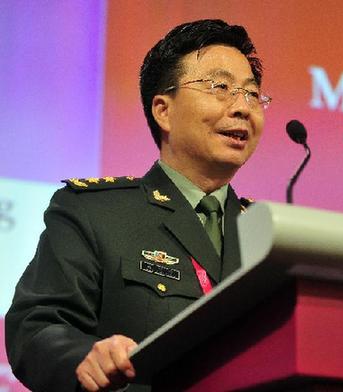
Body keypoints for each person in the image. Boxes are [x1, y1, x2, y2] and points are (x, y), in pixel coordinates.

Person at [5, 19, 270, 392]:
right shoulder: (96, 213)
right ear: (163, 110)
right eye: (221, 87)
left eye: (251, 93)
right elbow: (36, 327)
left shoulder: (267, 232)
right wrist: (84, 356)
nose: (243, 107)